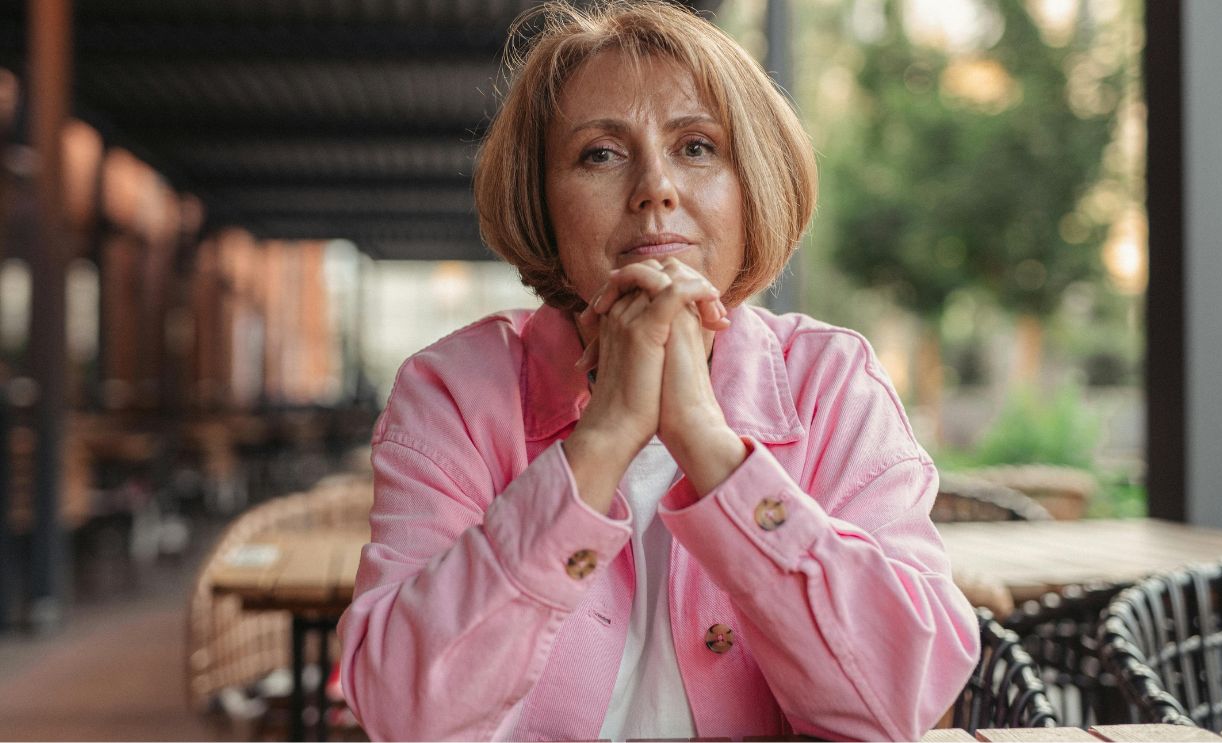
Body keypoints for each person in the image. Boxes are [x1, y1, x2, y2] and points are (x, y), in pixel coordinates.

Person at [336, 1, 979, 740]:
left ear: (752, 187)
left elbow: (897, 701)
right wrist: (602, 438)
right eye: (599, 154)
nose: (654, 188)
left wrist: (707, 442)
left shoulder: (832, 382)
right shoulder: (451, 392)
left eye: (697, 147)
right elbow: (406, 714)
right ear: (542, 203)